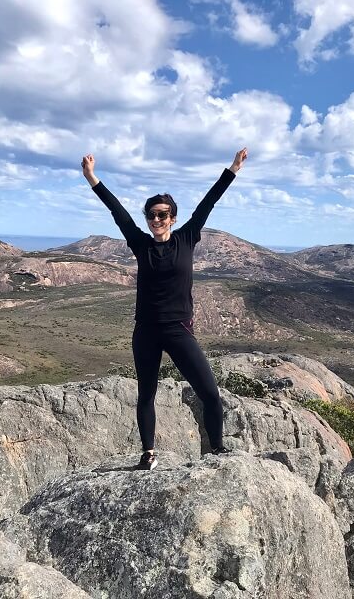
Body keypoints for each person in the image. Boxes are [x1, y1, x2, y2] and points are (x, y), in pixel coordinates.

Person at [82, 148, 248, 470]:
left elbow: (208, 203)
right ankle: (148, 454)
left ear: (173, 217)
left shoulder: (187, 238)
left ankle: (216, 449)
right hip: (145, 330)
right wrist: (92, 178)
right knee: (146, 394)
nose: (156, 219)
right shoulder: (140, 243)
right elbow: (118, 213)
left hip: (178, 330)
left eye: (162, 214)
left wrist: (233, 169)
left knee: (210, 394)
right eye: (151, 215)